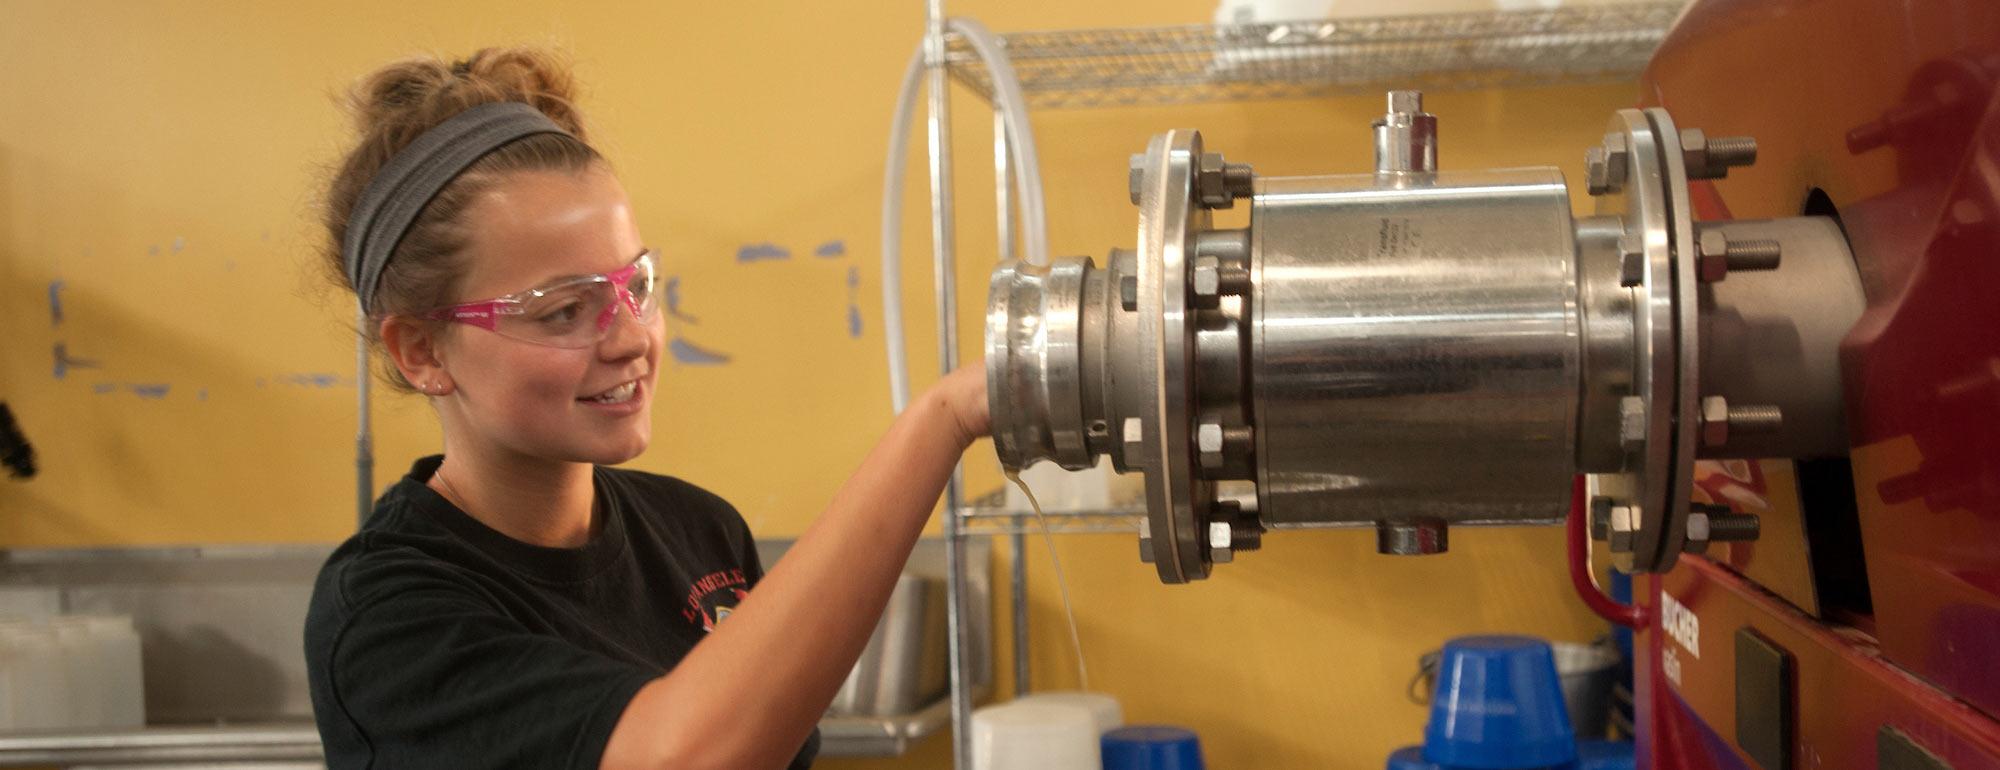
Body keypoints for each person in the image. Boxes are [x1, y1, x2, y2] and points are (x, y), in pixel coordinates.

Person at [303, 47, 989, 770]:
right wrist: (940, 420)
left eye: (638, 285)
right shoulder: (389, 615)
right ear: (422, 351)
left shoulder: (698, 531)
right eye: (565, 310)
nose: (632, 337)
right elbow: (679, 759)